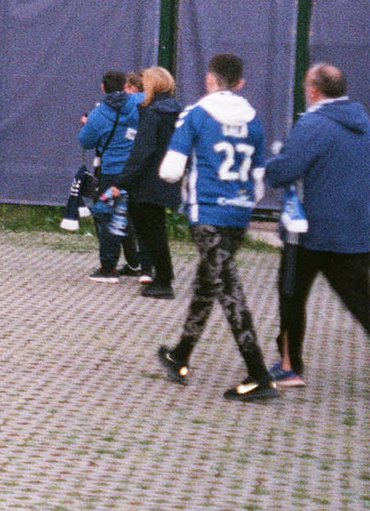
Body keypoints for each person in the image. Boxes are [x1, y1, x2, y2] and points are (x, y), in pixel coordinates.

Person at [261, 63, 370, 400]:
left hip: (309, 230)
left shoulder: (313, 123)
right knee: (362, 302)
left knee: (291, 295)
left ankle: (290, 365)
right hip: (355, 231)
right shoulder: (363, 123)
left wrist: (271, 164)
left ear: (314, 91)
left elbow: (285, 170)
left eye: (307, 86)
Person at [153, 52, 278, 402]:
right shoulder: (254, 119)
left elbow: (171, 170)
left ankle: (258, 374)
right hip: (238, 213)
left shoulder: (196, 114)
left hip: (207, 212)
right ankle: (180, 356)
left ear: (209, 80)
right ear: (240, 83)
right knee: (208, 283)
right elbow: (258, 179)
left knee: (227, 289)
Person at [117, 66, 183, 298]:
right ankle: (163, 276)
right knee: (156, 230)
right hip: (167, 178)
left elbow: (143, 150)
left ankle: (164, 281)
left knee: (148, 230)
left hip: (146, 181)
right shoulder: (177, 111)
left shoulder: (152, 113)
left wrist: (123, 180)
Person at [78, 70, 143, 283]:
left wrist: (89, 124)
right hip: (138, 169)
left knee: (107, 216)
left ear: (103, 88)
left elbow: (86, 141)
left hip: (113, 172)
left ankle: (108, 268)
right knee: (138, 217)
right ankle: (140, 265)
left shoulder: (99, 114)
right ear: (126, 85)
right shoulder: (138, 101)